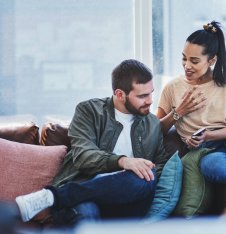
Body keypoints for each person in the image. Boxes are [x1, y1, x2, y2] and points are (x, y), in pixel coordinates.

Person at [14, 59, 168, 225]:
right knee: (86, 213)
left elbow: (159, 165)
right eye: (142, 96)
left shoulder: (152, 124)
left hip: (126, 199)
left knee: (146, 179)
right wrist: (123, 162)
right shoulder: (89, 111)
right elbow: (83, 156)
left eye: (151, 92)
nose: (150, 100)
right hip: (85, 192)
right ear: (120, 94)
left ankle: (52, 197)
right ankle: (63, 199)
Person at [156, 21, 226, 185]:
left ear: (212, 60)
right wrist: (179, 112)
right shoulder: (172, 88)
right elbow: (156, 131)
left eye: (194, 61)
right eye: (184, 58)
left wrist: (208, 134)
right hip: (208, 152)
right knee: (211, 165)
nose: (187, 66)